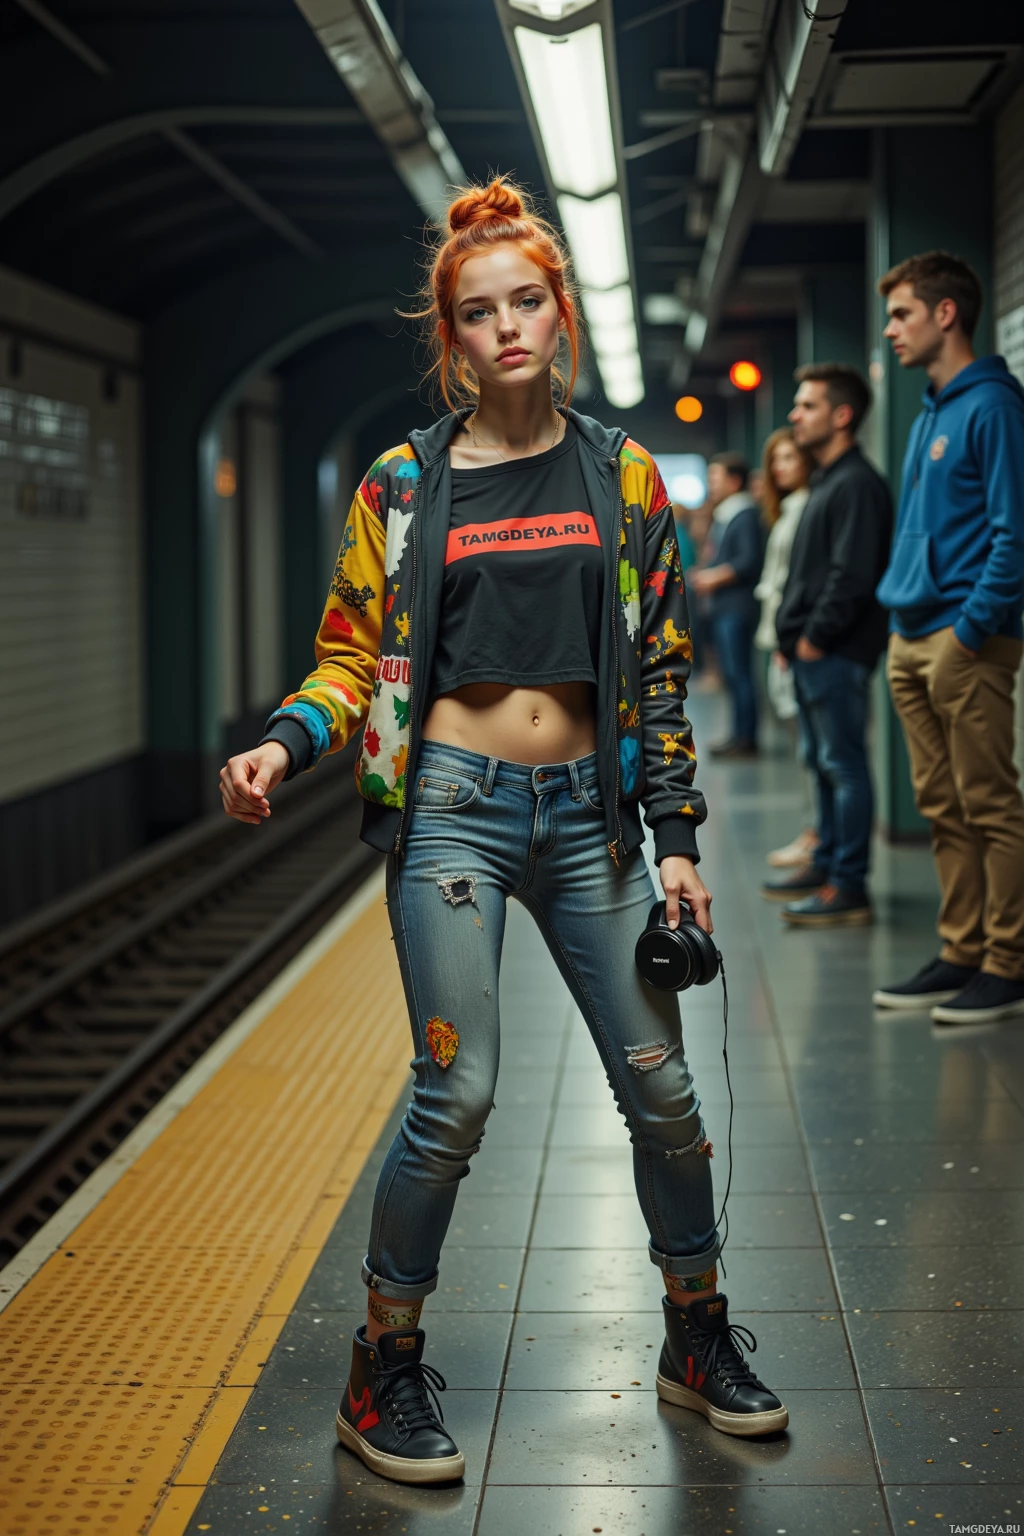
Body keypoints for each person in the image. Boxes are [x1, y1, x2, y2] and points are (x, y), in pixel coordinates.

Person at [218, 179, 787, 1486]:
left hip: (589, 820)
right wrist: (282, 743)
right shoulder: (405, 486)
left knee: (665, 1093)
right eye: (479, 313)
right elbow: (348, 658)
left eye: (526, 300)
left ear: (559, 313)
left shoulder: (622, 473)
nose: (507, 327)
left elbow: (656, 667)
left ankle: (695, 1337)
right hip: (455, 823)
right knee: (456, 1090)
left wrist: (680, 837)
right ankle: (385, 1366)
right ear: (451, 337)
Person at [873, 251, 1024, 1024]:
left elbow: (1014, 534)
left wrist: (971, 630)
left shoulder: (993, 405)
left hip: (963, 640)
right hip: (912, 632)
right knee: (941, 804)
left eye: (901, 313)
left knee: (990, 803)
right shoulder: (934, 406)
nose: (890, 330)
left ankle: (1008, 961)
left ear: (944, 314)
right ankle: (962, 949)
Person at [771, 364, 893, 927]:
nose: (795, 415)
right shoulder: (826, 480)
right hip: (811, 652)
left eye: (808, 406)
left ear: (842, 416)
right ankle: (825, 864)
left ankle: (849, 886)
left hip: (836, 654)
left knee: (843, 766)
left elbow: (851, 575)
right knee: (822, 764)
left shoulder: (857, 483)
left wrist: (815, 639)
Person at [752, 428, 817, 868]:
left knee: (816, 748)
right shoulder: (788, 510)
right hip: (783, 639)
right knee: (807, 745)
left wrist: (793, 640)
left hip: (796, 642)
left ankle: (817, 836)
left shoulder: (809, 508)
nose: (780, 467)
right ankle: (815, 832)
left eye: (790, 458)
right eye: (776, 459)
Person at [689, 453, 763, 757]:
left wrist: (712, 578)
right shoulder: (728, 513)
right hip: (726, 608)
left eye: (716, 478)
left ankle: (746, 738)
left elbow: (746, 561)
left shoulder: (744, 515)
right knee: (733, 674)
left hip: (737, 607)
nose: (711, 485)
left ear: (734, 481)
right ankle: (738, 734)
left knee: (740, 673)